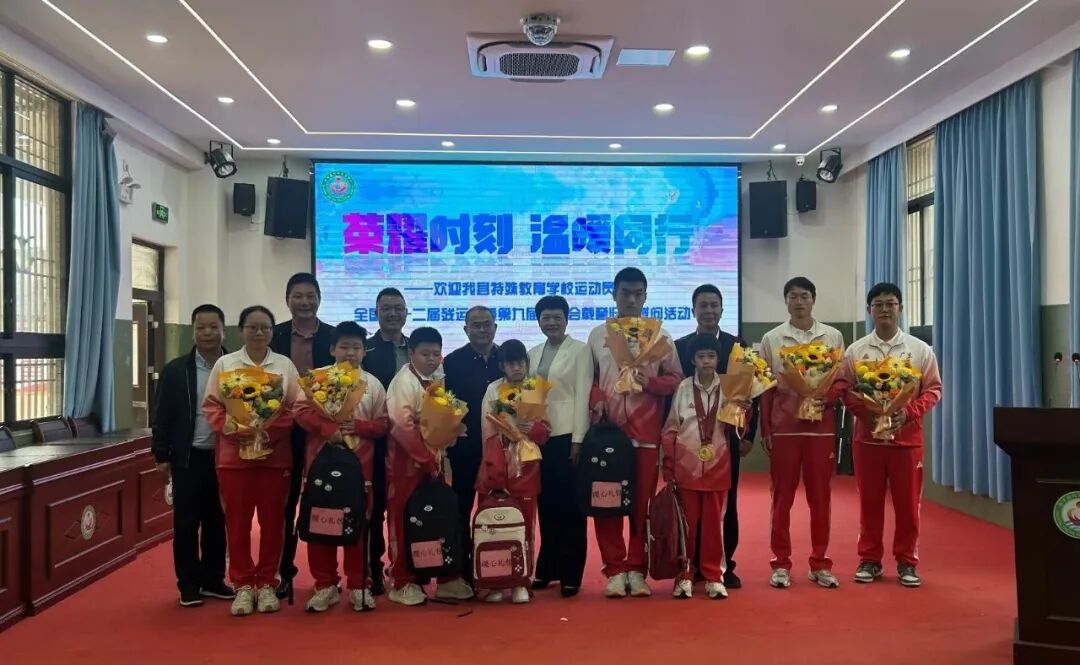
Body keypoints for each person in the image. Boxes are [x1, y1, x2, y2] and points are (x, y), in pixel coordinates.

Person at [588, 267, 683, 598]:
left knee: (641, 504)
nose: (631, 299)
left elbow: (676, 379)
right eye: (625, 293)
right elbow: (590, 379)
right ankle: (614, 568)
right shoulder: (598, 335)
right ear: (614, 294)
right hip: (609, 436)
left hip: (646, 435)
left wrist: (651, 383)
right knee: (607, 501)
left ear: (645, 296)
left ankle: (636, 568)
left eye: (637, 294)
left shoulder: (660, 336)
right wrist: (598, 400)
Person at [842, 282, 941, 588]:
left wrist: (907, 413)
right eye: (878, 305)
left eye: (891, 304)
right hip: (867, 441)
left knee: (908, 506)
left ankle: (907, 562)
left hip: (907, 442)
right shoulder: (856, 350)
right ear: (869, 310)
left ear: (900, 308)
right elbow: (845, 390)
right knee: (869, 504)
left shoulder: (919, 349)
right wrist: (867, 413)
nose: (885, 309)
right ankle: (869, 560)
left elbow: (933, 390)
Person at [203, 306, 300, 616]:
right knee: (237, 523)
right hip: (234, 459)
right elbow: (212, 406)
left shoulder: (284, 365)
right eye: (252, 327)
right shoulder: (226, 364)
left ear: (272, 331)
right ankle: (243, 585)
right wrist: (236, 429)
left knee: (273, 522)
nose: (259, 333)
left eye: (265, 328)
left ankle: (268, 582)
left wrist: (268, 431)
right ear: (241, 330)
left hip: (275, 458)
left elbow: (296, 407)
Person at [758, 277, 847, 590]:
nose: (799, 302)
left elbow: (841, 380)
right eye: (793, 296)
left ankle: (820, 563)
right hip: (785, 428)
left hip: (820, 429)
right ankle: (780, 563)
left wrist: (827, 398)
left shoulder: (832, 336)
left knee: (820, 498)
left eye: (804, 296)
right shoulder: (772, 338)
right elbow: (765, 387)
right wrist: (766, 429)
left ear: (813, 299)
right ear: (785, 301)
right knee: (782, 498)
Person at [294, 322, 388, 613]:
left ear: (365, 351)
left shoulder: (372, 384)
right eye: (344, 346)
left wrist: (358, 426)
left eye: (356, 347)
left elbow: (383, 424)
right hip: (320, 465)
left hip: (360, 468)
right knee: (321, 522)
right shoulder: (316, 379)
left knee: (357, 525)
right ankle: (325, 585)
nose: (350, 352)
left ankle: (359, 585)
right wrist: (328, 429)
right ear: (332, 349)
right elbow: (300, 412)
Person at [673, 284, 758, 589]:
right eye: (703, 305)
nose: (709, 311)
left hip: (727, 437)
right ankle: (691, 564)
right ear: (693, 310)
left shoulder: (738, 345)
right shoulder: (680, 346)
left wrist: (749, 434)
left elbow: (752, 392)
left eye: (714, 305)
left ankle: (724, 565)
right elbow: (674, 394)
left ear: (722, 309)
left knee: (725, 504)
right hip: (688, 442)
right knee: (690, 506)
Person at [385, 327, 474, 606]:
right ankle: (403, 580)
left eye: (436, 354)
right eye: (425, 354)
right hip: (406, 466)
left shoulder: (437, 380)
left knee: (440, 518)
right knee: (404, 521)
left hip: (435, 463)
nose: (432, 359)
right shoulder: (403, 381)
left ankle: (445, 578)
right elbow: (402, 425)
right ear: (411, 353)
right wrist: (423, 458)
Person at [151, 304, 233, 608]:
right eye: (201, 327)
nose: (207, 333)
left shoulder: (234, 368)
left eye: (213, 327)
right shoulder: (176, 370)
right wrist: (161, 454)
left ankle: (213, 579)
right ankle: (188, 584)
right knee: (186, 524)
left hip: (225, 458)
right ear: (193, 331)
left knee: (217, 521)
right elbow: (162, 415)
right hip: (188, 458)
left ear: (224, 331)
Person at [269, 272, 334, 600]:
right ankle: (283, 571)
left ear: (319, 299)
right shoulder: (275, 335)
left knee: (328, 500)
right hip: (283, 432)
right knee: (283, 504)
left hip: (324, 433)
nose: (304, 302)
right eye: (298, 296)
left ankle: (329, 577)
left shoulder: (334, 337)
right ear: (287, 300)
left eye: (310, 296)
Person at [477, 340, 552, 604]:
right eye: (511, 363)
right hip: (497, 465)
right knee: (494, 526)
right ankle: (495, 581)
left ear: (527, 364)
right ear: (502, 366)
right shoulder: (493, 390)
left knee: (525, 526)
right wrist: (495, 458)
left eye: (521, 362)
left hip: (526, 467)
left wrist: (532, 429)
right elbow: (486, 431)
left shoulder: (535, 388)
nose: (517, 367)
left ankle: (521, 580)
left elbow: (546, 431)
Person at [527, 295, 592, 597]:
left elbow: (582, 395)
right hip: (539, 439)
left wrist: (579, 439)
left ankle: (571, 573)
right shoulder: (533, 353)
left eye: (557, 317)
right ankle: (547, 567)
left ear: (566, 319)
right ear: (538, 321)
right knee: (547, 505)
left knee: (571, 507)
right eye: (546, 318)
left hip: (567, 436)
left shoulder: (580, 350)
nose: (551, 322)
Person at [662, 333, 734, 600]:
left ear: (718, 359)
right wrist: (669, 464)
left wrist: (743, 411)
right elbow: (671, 428)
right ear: (692, 360)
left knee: (714, 526)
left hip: (718, 466)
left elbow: (735, 427)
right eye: (701, 356)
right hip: (687, 468)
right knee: (687, 526)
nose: (706, 361)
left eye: (711, 356)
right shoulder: (683, 388)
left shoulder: (729, 388)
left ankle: (714, 576)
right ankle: (684, 575)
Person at [442, 306, 502, 585]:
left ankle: (496, 567)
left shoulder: (506, 358)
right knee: (462, 509)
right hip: (465, 450)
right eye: (475, 325)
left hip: (501, 449)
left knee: (496, 508)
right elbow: (445, 405)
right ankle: (464, 569)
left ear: (495, 327)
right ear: (465, 330)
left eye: (486, 324)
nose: (482, 330)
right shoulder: (453, 362)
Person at [362, 287, 411, 595]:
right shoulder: (365, 351)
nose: (393, 313)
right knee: (375, 508)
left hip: (411, 446)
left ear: (406, 312)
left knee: (408, 508)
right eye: (386, 308)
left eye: (398, 308)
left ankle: (411, 567)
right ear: (377, 312)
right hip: (376, 442)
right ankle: (373, 569)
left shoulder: (418, 347)